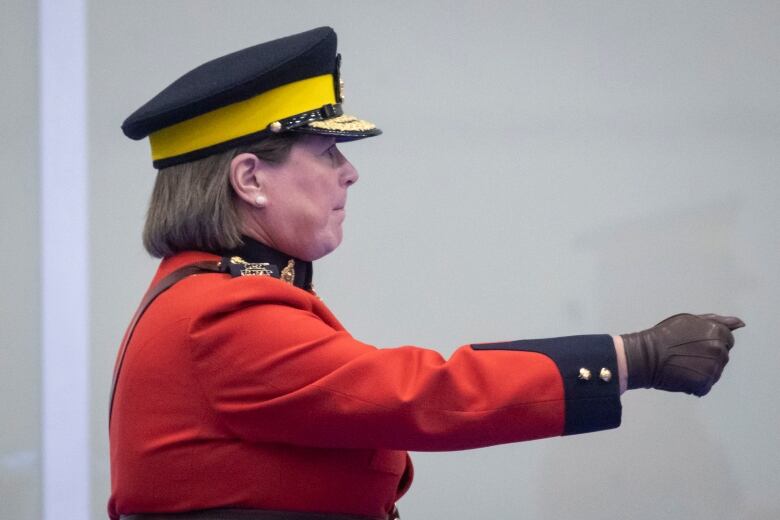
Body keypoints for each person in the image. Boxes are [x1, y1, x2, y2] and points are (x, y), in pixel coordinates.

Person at [109, 27, 744, 520]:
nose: (349, 172)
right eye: (328, 151)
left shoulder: (208, 298)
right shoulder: (218, 315)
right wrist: (630, 358)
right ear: (249, 178)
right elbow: (421, 395)